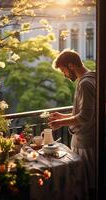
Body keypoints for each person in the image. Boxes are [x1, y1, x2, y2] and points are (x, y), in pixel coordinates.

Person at [48, 49, 96, 199]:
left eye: (64, 70)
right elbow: (87, 112)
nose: (64, 75)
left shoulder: (85, 83)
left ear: (71, 65)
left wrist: (60, 123)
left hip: (87, 142)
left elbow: (85, 116)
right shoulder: (93, 77)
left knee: (89, 185)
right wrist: (63, 116)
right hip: (90, 139)